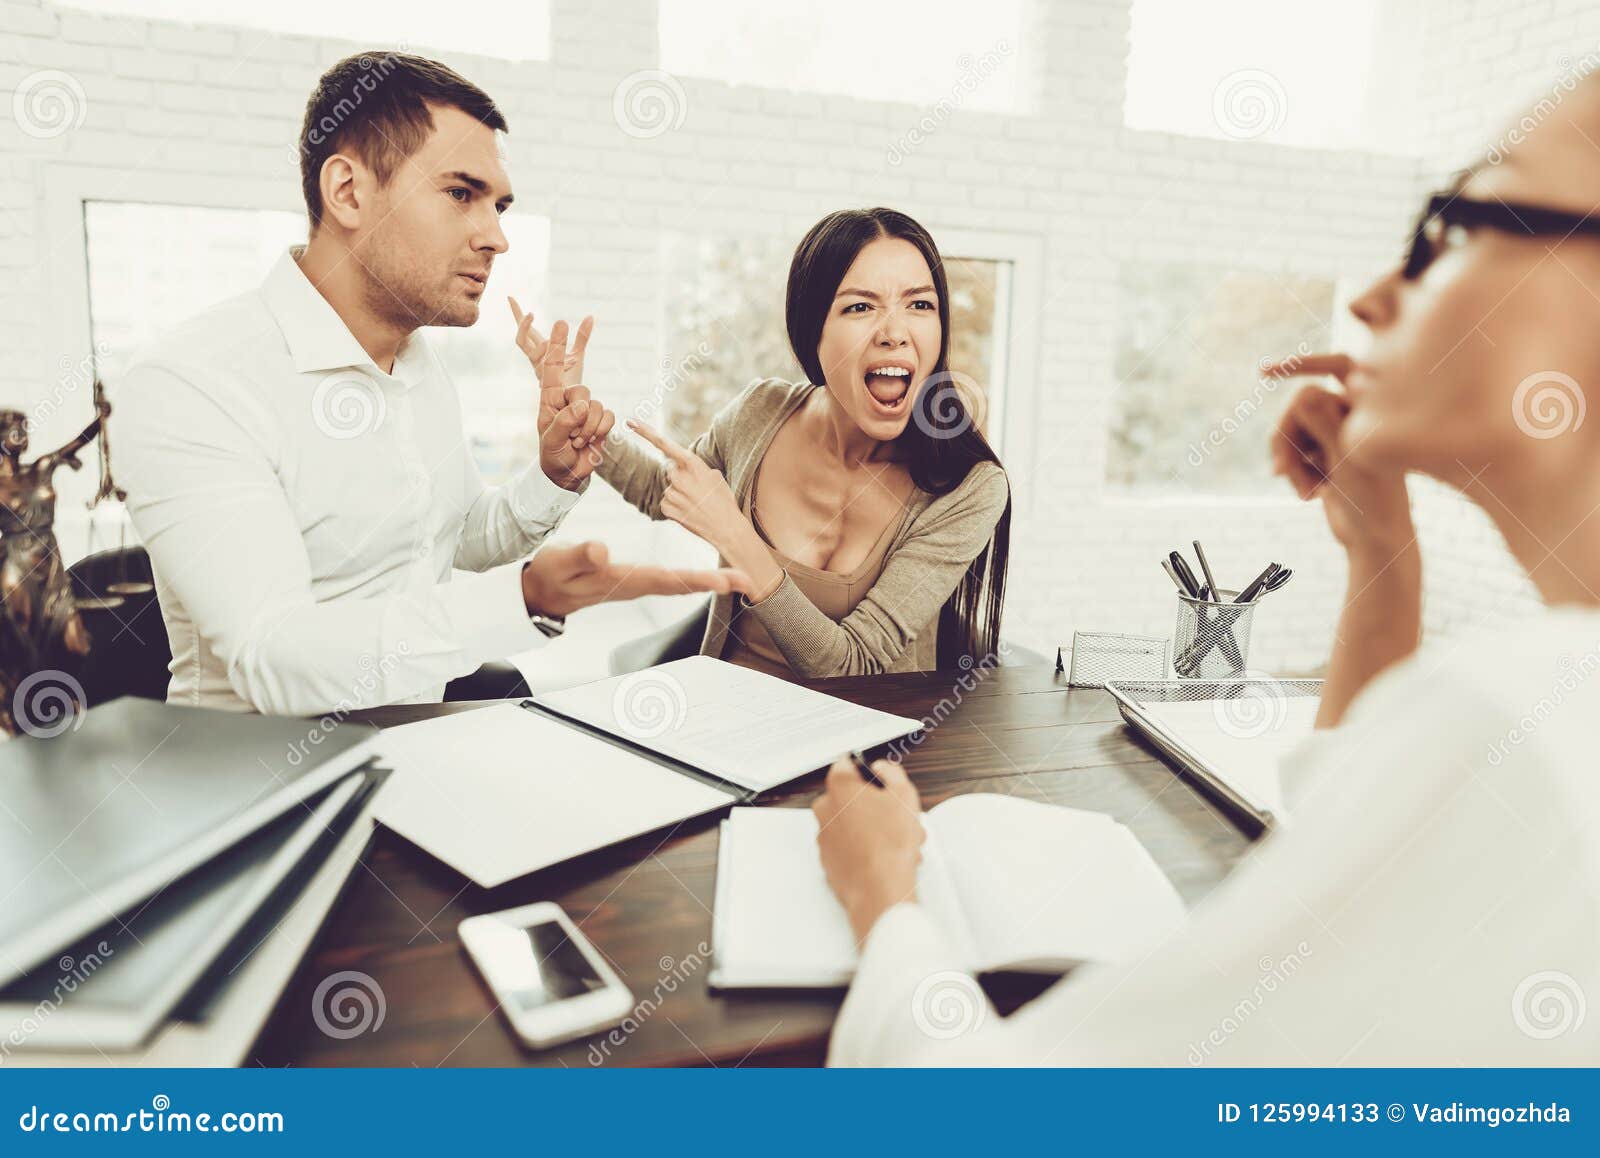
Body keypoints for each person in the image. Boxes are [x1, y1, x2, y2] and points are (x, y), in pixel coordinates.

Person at [809, 80, 1600, 1064]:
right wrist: (1380, 559)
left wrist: (885, 897)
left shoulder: (1520, 719)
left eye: (1450, 225)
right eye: (859, 306)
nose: (1367, 296)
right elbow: (1336, 846)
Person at [116, 53, 746, 716]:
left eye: (499, 205)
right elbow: (272, 658)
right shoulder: (193, 383)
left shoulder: (418, 367)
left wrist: (553, 476)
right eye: (460, 194)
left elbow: (457, 539)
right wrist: (523, 599)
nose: (498, 237)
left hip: (421, 749)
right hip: (260, 793)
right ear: (348, 192)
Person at [515, 208, 1010, 679]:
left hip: (860, 754)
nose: (895, 333)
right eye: (860, 306)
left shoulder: (970, 488)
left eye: (920, 304)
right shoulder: (762, 412)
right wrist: (577, 418)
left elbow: (849, 667)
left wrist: (736, 537)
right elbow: (659, 491)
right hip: (723, 718)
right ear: (811, 330)